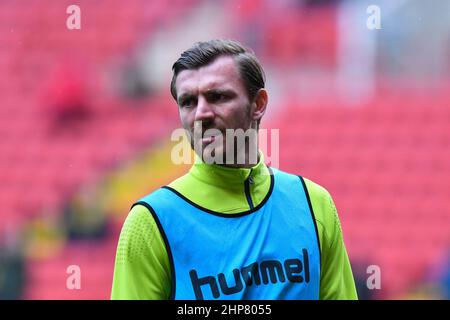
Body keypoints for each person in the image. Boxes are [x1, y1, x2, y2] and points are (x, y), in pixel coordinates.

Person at [111, 39, 357, 300]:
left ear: (259, 104)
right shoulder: (151, 222)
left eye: (217, 97)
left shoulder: (313, 204)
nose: (201, 114)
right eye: (188, 102)